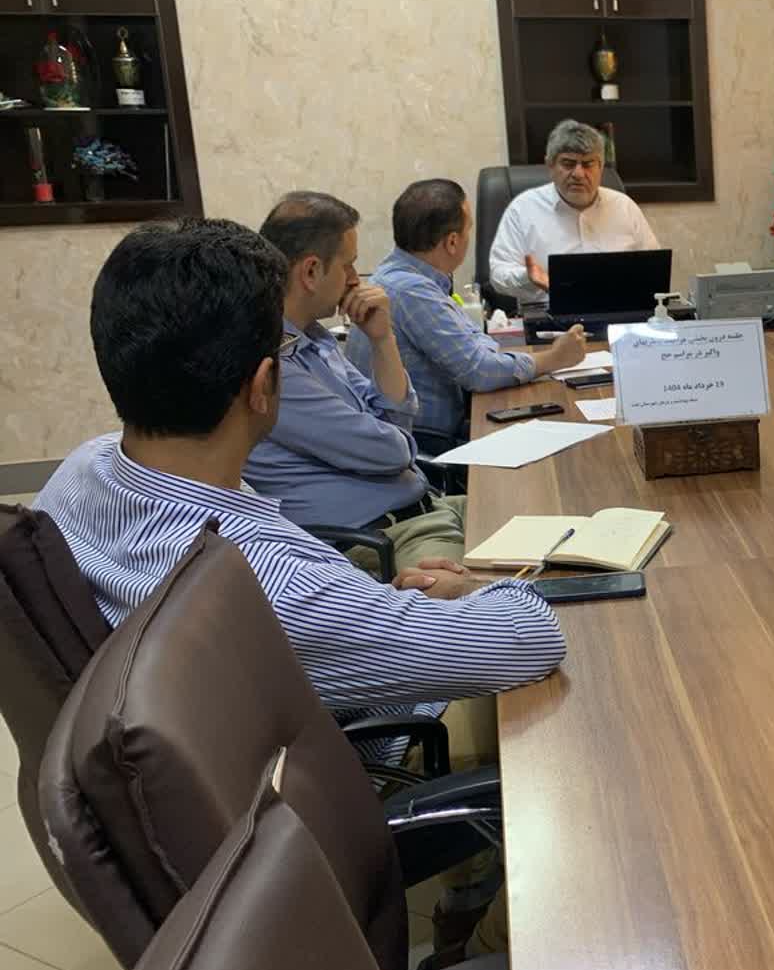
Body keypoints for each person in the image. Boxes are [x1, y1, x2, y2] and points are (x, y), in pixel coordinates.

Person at [36, 218, 567, 735]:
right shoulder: (270, 582)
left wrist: (379, 607)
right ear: (263, 384)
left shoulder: (80, 470)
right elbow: (530, 639)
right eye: (286, 350)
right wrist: (472, 589)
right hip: (367, 754)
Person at [243, 192, 465, 569]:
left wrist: (383, 338)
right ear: (311, 271)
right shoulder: (273, 367)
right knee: (474, 597)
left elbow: (395, 421)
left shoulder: (315, 339)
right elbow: (392, 452)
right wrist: (395, 442)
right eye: (348, 265)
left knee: (535, 510)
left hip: (425, 510)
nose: (353, 279)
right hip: (382, 539)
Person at [350, 179, 588, 446]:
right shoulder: (411, 290)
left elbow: (478, 344)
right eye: (468, 229)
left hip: (432, 432)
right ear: (452, 242)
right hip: (425, 444)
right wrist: (555, 358)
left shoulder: (403, 275)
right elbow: (480, 371)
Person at [488, 118, 660, 306]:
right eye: (568, 163)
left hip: (618, 312)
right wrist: (528, 278)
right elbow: (498, 274)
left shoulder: (624, 207)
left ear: (601, 167)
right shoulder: (523, 209)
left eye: (588, 164)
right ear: (550, 165)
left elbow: (655, 269)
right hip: (547, 313)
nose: (578, 174)